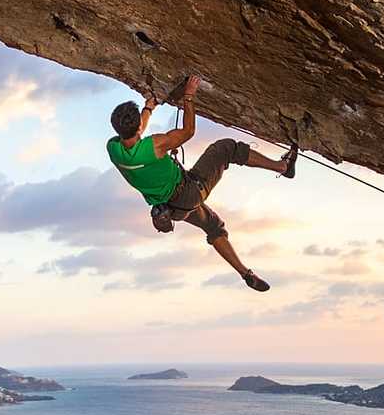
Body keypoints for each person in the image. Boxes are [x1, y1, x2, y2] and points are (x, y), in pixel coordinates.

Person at [106, 76, 295, 291]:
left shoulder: (113, 149)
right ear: (138, 125)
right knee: (225, 148)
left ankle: (246, 274)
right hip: (188, 192)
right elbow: (188, 132)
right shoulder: (155, 146)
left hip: (172, 210)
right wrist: (188, 96)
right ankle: (283, 167)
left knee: (214, 227)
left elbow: (135, 133)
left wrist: (148, 109)